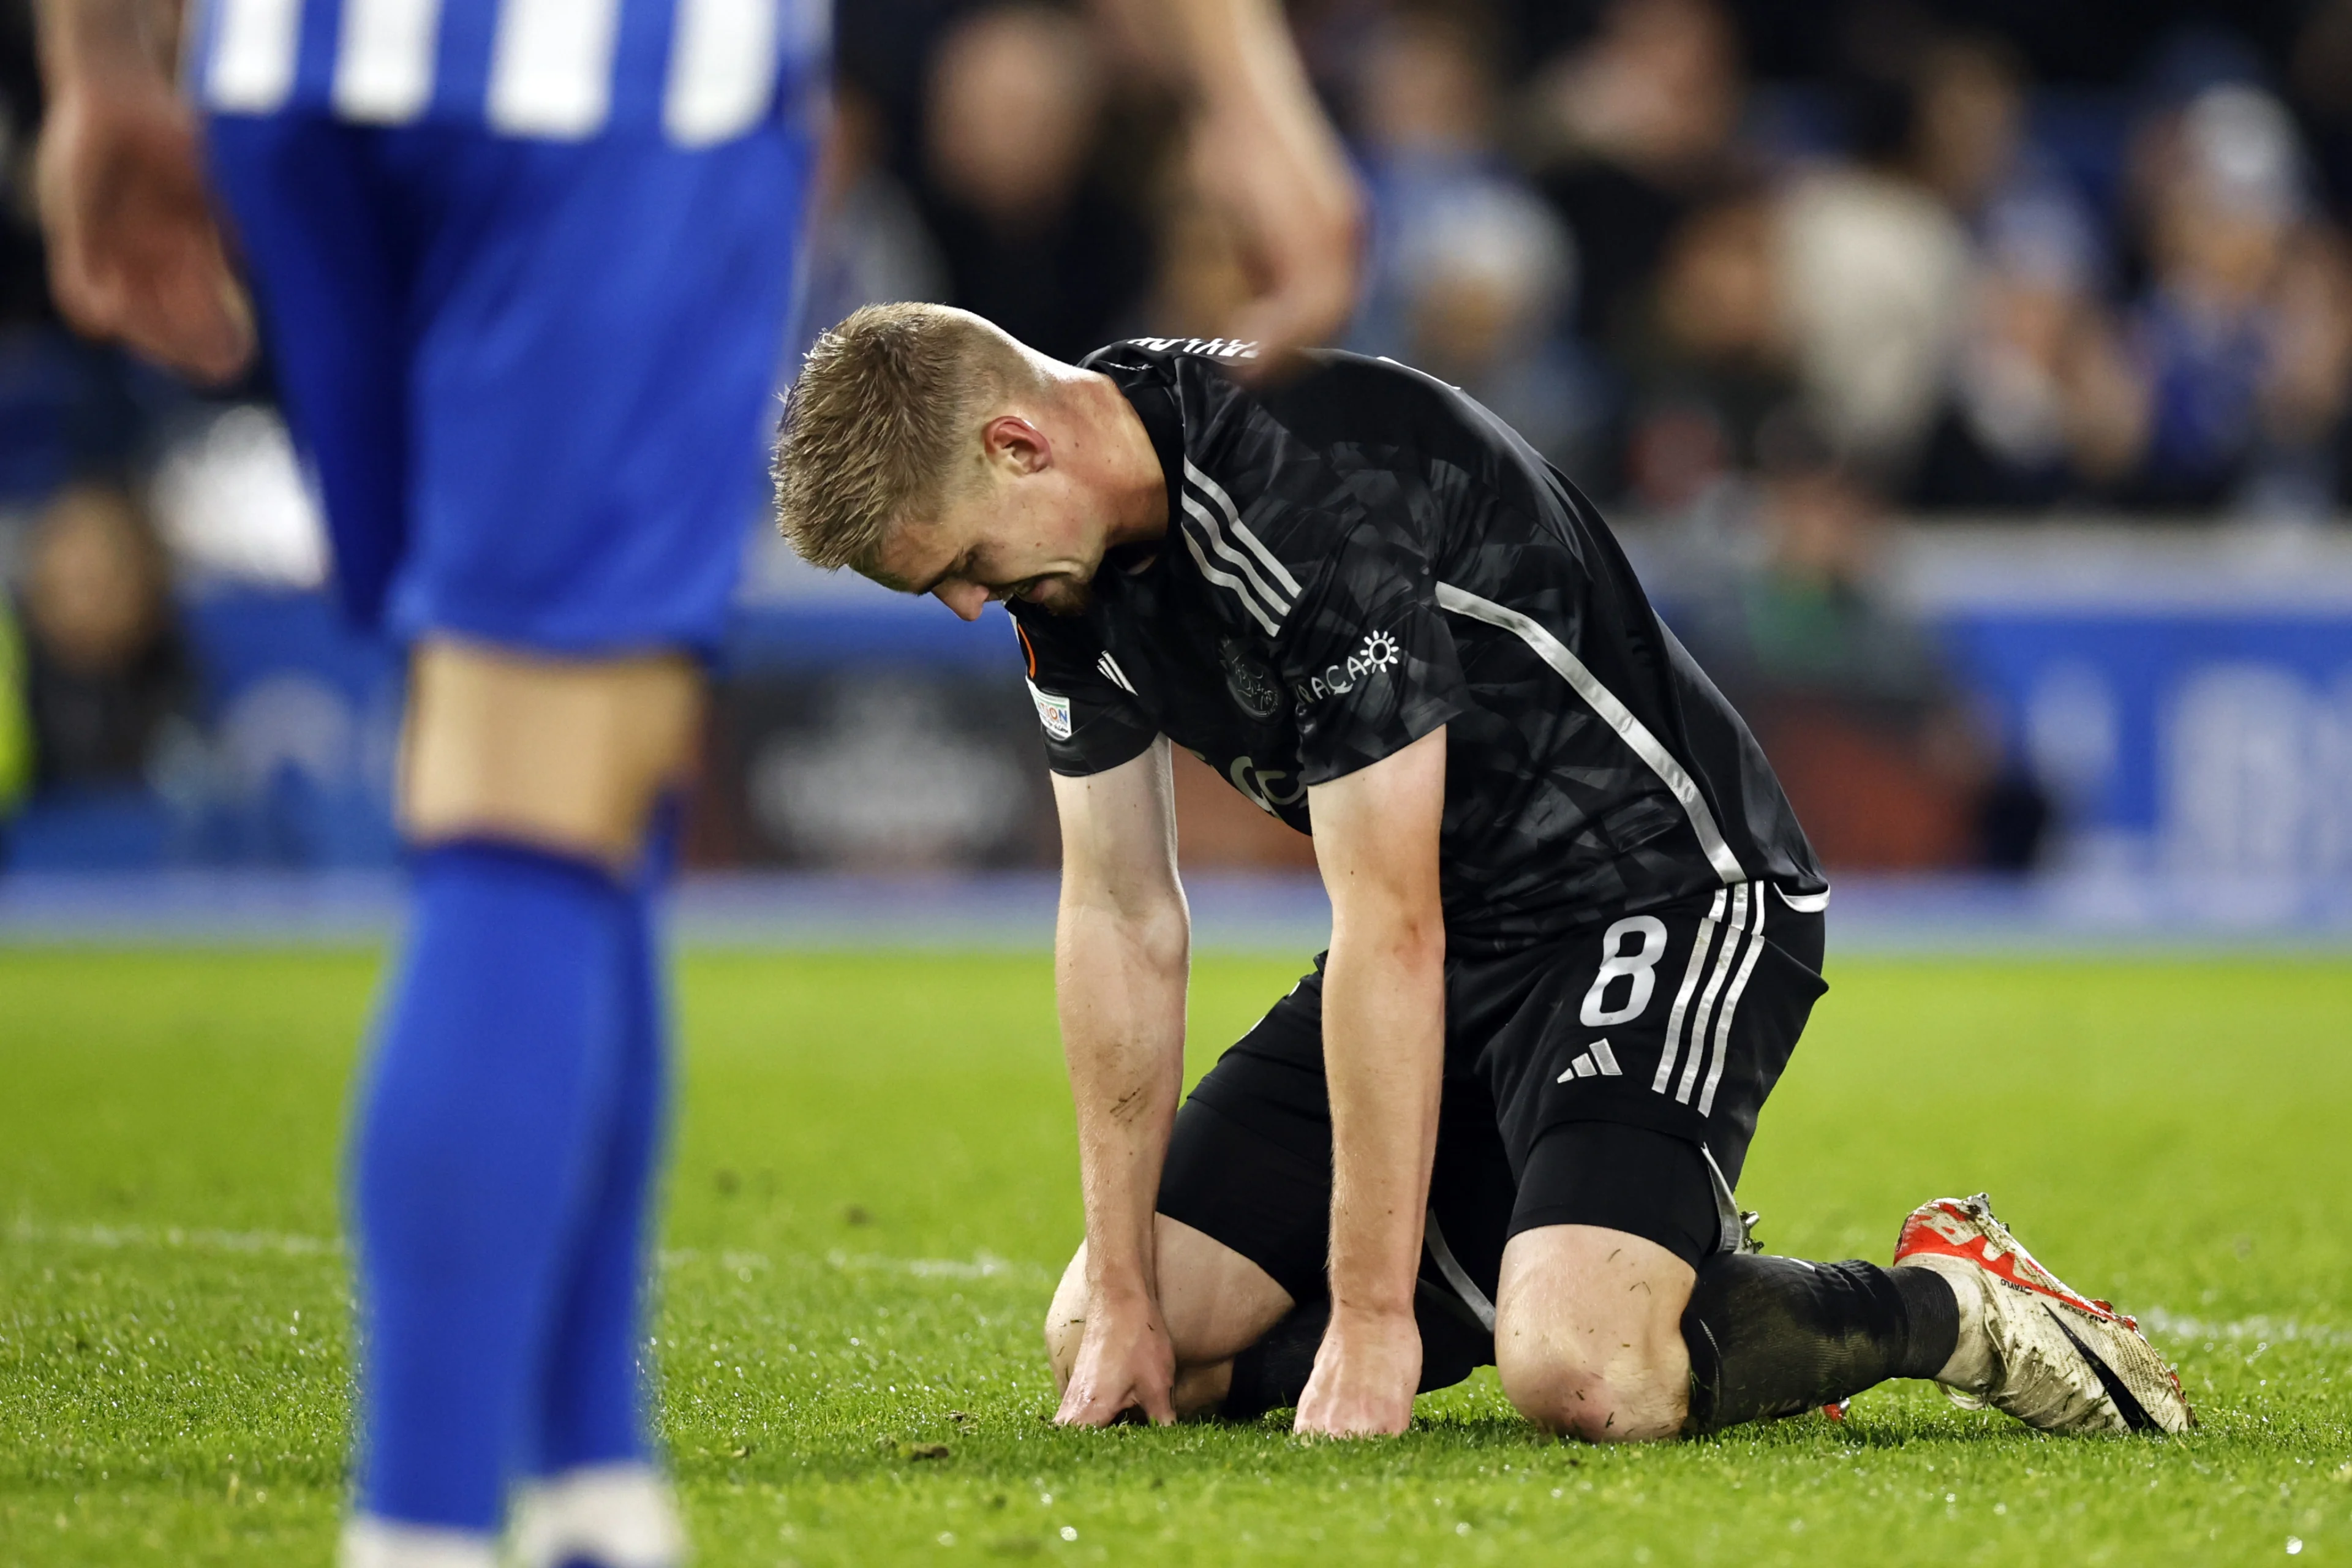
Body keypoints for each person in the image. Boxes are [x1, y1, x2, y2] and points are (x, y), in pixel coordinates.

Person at [31, 2, 1359, 1564]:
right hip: (603, 88)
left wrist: (98, 64)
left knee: (536, 783)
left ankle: (600, 1490)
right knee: (529, 820)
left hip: (286, 73)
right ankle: (426, 1516)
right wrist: (1243, 86)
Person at [771, 303, 2193, 1443]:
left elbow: (1386, 921)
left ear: (1020, 444)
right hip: (1449, 936)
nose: (968, 605)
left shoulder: (1303, 492)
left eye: (959, 566)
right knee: (1101, 1332)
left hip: (1657, 891)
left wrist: (1374, 1313)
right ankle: (1604, 1227)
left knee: (1581, 1370)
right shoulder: (1069, 564)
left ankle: (1942, 1305)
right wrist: (1136, 1291)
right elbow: (1120, 913)